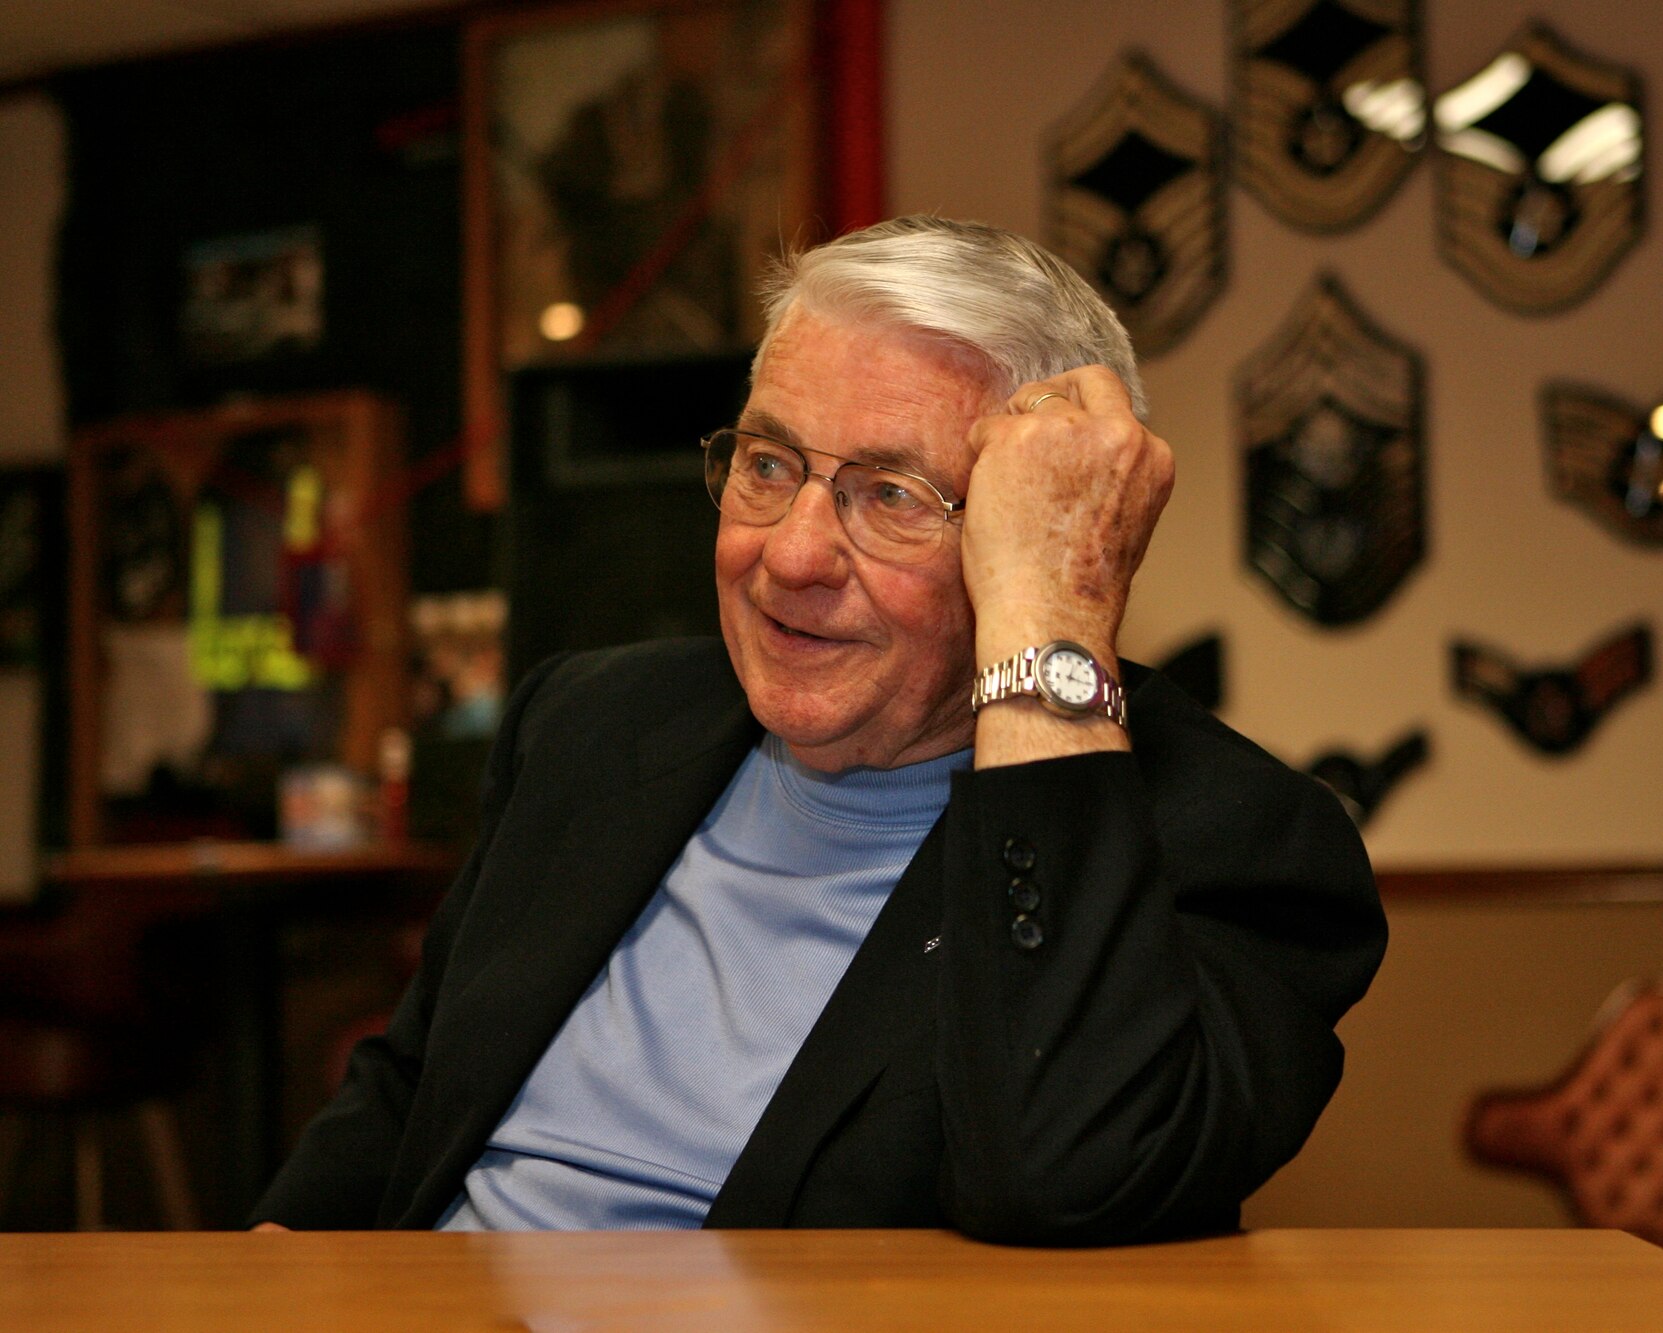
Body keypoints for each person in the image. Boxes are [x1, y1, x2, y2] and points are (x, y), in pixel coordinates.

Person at [252, 216, 1386, 1244]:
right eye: (767, 464)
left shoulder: (1240, 843)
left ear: (1025, 531)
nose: (787, 555)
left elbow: (1065, 1179)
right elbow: (408, 1094)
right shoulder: (589, 723)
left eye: (891, 493)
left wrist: (1047, 615)